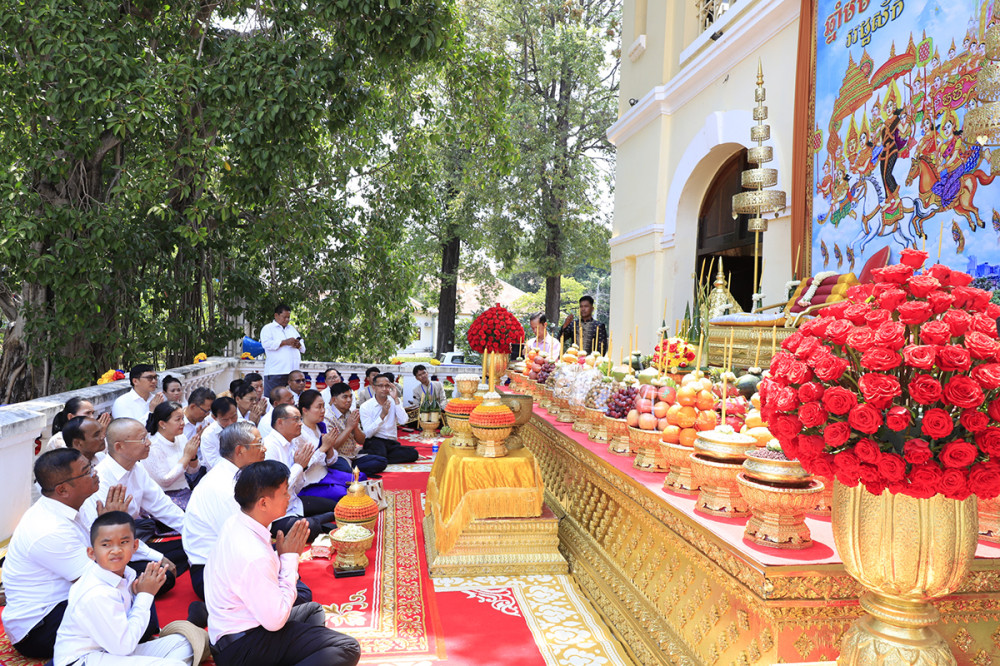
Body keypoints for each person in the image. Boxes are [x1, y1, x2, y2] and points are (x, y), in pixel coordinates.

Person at [204, 461, 361, 666]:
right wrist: (289, 559)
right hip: (243, 648)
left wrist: (281, 557)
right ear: (263, 503)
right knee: (348, 647)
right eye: (284, 492)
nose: (289, 497)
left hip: (234, 635)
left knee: (312, 611)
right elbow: (275, 621)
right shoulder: (252, 553)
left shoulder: (235, 522)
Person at [5, 450, 131, 660]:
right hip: (40, 627)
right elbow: (100, 581)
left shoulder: (78, 503)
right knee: (136, 611)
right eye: (87, 471)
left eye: (91, 467)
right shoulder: (49, 528)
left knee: (145, 584)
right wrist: (113, 529)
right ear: (63, 489)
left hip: (72, 597)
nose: (95, 473)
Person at [54, 512, 196, 666]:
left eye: (123, 542)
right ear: (91, 553)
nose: (116, 550)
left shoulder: (127, 574)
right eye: (106, 545)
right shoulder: (96, 592)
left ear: (135, 546)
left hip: (112, 652)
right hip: (83, 660)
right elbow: (124, 646)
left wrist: (136, 595)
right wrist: (145, 595)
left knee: (183, 644)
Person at [79, 418, 188, 596]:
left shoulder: (137, 469)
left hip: (133, 542)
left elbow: (164, 507)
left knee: (190, 545)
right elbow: (103, 539)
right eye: (142, 439)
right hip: (110, 553)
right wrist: (158, 557)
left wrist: (198, 532)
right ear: (119, 446)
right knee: (165, 576)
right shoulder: (101, 480)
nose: (149, 443)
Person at [182, 422, 265, 601]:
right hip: (212, 574)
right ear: (240, 450)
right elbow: (241, 541)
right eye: (259, 444)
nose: (264, 449)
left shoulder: (234, 475)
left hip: (229, 561)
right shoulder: (223, 486)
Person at [263, 404, 336, 541]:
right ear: (280, 422)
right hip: (277, 514)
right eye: (296, 419)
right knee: (311, 527)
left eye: (300, 419)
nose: (300, 423)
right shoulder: (269, 447)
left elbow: (297, 486)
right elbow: (277, 489)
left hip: (294, 502)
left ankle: (319, 520)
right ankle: (318, 521)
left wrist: (302, 467)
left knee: (335, 506)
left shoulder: (292, 443)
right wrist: (299, 466)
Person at [296, 390, 360, 507]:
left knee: (359, 479)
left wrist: (329, 448)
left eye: (323, 406)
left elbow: (330, 461)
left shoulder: (320, 426)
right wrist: (323, 447)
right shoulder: (299, 434)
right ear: (305, 410)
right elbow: (302, 466)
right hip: (310, 482)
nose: (323, 411)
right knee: (346, 494)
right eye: (318, 407)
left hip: (325, 473)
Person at [145, 402, 202, 509]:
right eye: (178, 419)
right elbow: (165, 481)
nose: (182, 423)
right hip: (164, 497)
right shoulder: (153, 446)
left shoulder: (181, 438)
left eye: (183, 419)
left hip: (185, 491)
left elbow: (192, 471)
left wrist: (193, 457)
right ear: (162, 424)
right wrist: (186, 457)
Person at [326, 383, 387, 477]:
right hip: (337, 456)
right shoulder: (328, 417)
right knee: (345, 469)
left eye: (350, 396)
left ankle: (352, 469)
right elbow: (332, 446)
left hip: (353, 455)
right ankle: (350, 470)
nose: (349, 400)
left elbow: (362, 441)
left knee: (382, 461)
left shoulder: (350, 413)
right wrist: (349, 428)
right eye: (345, 397)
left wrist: (355, 427)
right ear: (334, 400)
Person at [359, 374, 419, 464]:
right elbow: (368, 433)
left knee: (413, 454)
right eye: (380, 386)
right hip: (375, 440)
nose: (384, 389)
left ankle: (378, 458)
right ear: (374, 388)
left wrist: (396, 399)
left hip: (391, 442)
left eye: (387, 386)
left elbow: (404, 421)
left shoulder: (394, 401)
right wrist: (382, 416)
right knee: (380, 453)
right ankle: (379, 457)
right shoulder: (366, 406)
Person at [260, 303, 305, 400]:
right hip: (276, 372)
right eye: (284, 317)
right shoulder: (268, 328)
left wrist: (298, 344)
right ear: (276, 315)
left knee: (293, 399)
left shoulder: (291, 329)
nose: (287, 320)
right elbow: (266, 344)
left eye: (288, 317)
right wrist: (284, 342)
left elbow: (303, 347)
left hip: (292, 372)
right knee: (274, 399)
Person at [45, 398, 112, 453]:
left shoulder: (93, 436)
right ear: (71, 417)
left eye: (92, 413)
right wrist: (99, 435)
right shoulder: (58, 439)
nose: (92, 417)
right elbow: (80, 460)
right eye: (87, 413)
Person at [199, 397, 240, 470]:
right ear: (214, 417)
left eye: (234, 417)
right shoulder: (208, 435)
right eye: (225, 420)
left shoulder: (244, 426)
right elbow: (213, 463)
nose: (231, 422)